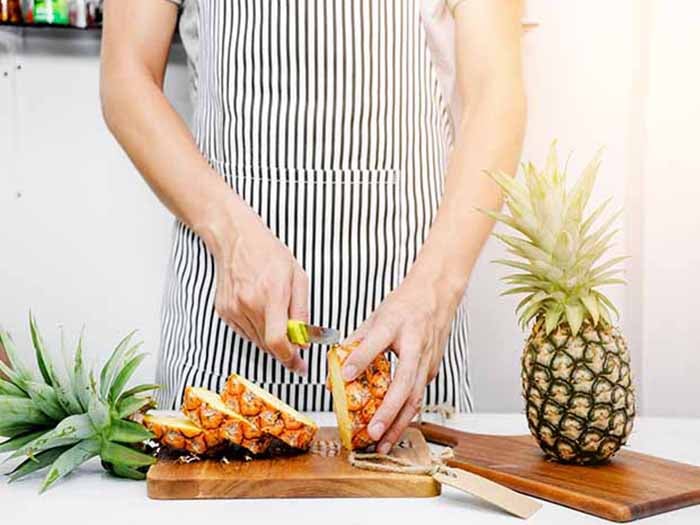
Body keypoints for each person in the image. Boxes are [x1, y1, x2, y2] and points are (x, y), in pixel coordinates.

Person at [100, 0, 526, 454]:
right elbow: (127, 77)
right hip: (225, 325)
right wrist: (231, 233)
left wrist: (436, 290)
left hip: (407, 327)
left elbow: (495, 94)